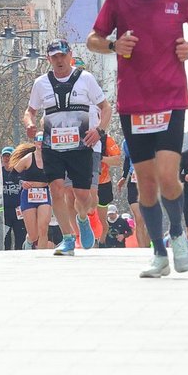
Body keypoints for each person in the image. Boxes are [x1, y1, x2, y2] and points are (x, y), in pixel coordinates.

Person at [86, 0, 188, 276]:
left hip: (170, 98)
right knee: (146, 183)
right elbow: (93, 40)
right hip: (134, 102)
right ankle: (159, 254)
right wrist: (114, 44)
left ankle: (178, 236)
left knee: (169, 176)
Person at [24, 38, 111, 256]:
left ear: (70, 54)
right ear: (48, 59)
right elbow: (30, 111)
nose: (59, 60)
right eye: (55, 57)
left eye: (63, 55)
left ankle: (82, 219)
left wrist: (99, 131)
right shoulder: (40, 83)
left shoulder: (85, 78)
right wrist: (30, 124)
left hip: (80, 145)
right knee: (56, 188)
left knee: (84, 197)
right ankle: (68, 238)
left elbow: (106, 107)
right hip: (53, 145)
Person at [10, 135, 53, 249]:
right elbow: (13, 175)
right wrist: (21, 182)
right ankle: (28, 242)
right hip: (29, 195)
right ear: (34, 143)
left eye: (43, 140)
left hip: (44, 194)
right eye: (38, 140)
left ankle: (42, 255)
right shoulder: (28, 158)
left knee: (43, 229)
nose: (41, 142)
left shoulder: (51, 159)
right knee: (34, 235)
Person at [117, 138, 149, 248]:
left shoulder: (153, 136)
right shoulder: (126, 141)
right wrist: (123, 177)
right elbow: (127, 159)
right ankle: (142, 249)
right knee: (139, 218)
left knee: (148, 219)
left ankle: (149, 247)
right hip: (133, 179)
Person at [96, 132, 122, 246]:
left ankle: (101, 241)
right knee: (86, 212)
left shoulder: (106, 139)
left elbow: (117, 160)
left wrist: (100, 157)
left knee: (102, 219)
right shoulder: (78, 135)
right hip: (84, 182)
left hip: (102, 183)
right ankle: (88, 240)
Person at [1, 146, 25, 250]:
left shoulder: (21, 172)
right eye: (5, 156)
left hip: (19, 210)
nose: (7, 159)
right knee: (5, 239)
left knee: (20, 237)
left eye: (9, 156)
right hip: (4, 210)